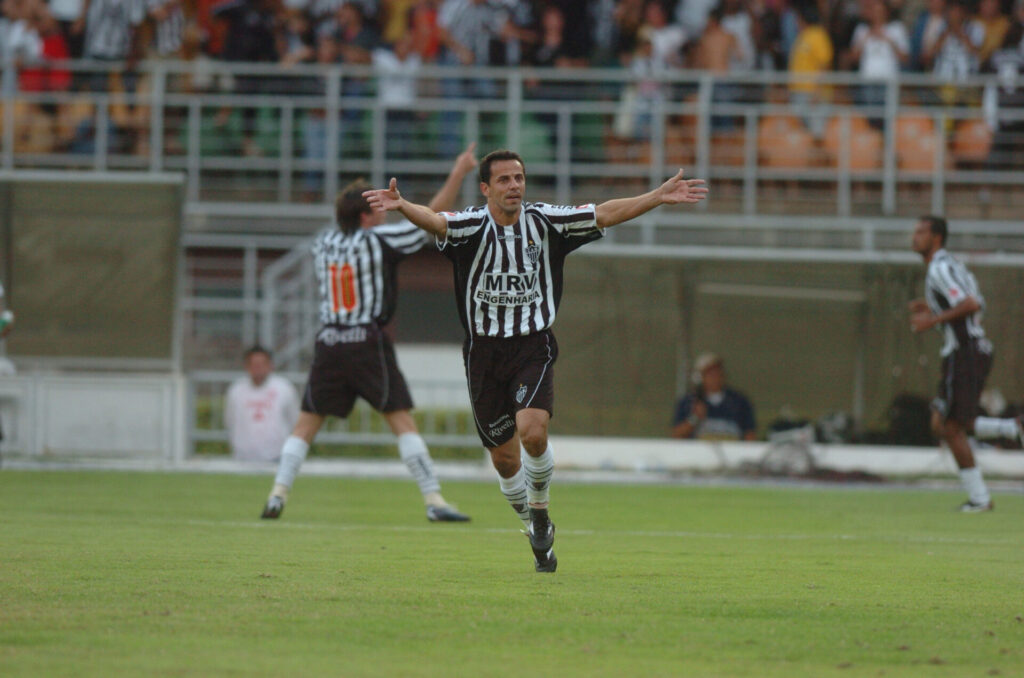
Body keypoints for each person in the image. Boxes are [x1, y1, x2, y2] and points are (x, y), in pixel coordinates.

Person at [363, 149, 708, 572]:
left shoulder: (546, 221)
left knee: (532, 431)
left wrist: (656, 196)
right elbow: (436, 221)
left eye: (519, 178)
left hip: (532, 345)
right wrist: (403, 207)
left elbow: (603, 214)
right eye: (504, 180)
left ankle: (541, 508)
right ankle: (535, 529)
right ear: (486, 188)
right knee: (505, 463)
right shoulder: (471, 227)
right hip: (482, 354)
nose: (514, 186)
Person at [260, 144, 479, 523]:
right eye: (375, 208)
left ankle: (278, 494)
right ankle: (434, 500)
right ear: (365, 216)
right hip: (366, 340)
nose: (383, 212)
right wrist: (458, 172)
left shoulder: (323, 244)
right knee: (400, 419)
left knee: (307, 422)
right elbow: (432, 217)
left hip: (329, 340)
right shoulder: (379, 241)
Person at [909, 215, 1023, 512]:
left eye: (920, 231)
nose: (914, 237)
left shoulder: (940, 267)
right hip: (968, 350)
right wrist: (933, 308)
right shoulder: (952, 265)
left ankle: (980, 499)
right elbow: (975, 303)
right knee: (947, 422)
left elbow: (970, 304)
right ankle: (1013, 429)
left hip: (964, 352)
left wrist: (932, 319)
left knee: (949, 424)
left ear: (936, 237)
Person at [225, 346, 300, 462]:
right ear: (246, 366)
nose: (258, 368)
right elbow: (230, 421)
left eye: (262, 364)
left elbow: (294, 420)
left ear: (271, 365)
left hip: (277, 456)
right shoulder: (236, 390)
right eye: (254, 364)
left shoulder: (284, 388)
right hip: (243, 458)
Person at [670, 353, 756, 441]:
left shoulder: (740, 401)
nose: (715, 377)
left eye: (718, 372)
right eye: (709, 373)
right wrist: (694, 418)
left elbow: (750, 434)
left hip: (732, 453)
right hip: (699, 453)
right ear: (699, 378)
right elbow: (676, 436)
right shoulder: (688, 402)